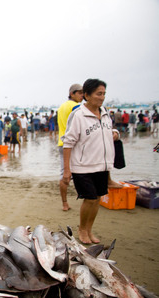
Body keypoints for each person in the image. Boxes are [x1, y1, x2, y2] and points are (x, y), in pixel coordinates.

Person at [62, 79, 114, 245]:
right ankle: (82, 229)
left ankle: (89, 230)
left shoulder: (105, 113)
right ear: (87, 95)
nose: (102, 97)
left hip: (101, 164)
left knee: (97, 198)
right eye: (99, 94)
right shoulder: (78, 115)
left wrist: (115, 134)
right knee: (90, 199)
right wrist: (67, 170)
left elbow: (108, 132)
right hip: (82, 166)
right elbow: (68, 142)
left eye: (104, 94)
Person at [57, 83, 83, 211]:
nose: (82, 96)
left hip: (62, 143)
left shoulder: (61, 107)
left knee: (64, 173)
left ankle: (64, 203)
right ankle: (82, 197)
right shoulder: (76, 107)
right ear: (72, 93)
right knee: (78, 172)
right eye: (80, 93)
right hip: (73, 144)